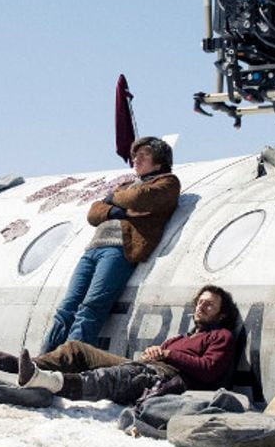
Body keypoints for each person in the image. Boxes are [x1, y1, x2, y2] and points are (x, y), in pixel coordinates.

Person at [41, 136, 180, 352]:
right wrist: (121, 209)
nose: (136, 159)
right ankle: (44, 359)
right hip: (93, 249)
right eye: (135, 155)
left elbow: (139, 198)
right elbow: (93, 213)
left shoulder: (168, 183)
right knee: (67, 307)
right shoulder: (126, 186)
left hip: (119, 250)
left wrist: (113, 199)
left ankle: (69, 362)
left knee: (91, 307)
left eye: (144, 155)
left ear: (159, 161)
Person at [0, 284, 239, 404]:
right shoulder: (181, 338)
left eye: (210, 305)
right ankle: (27, 366)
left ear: (221, 314)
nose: (201, 307)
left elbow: (209, 370)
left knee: (113, 378)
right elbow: (164, 355)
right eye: (200, 302)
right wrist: (155, 353)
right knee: (76, 348)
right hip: (147, 366)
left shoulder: (221, 336)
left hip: (165, 378)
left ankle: (45, 380)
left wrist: (166, 354)